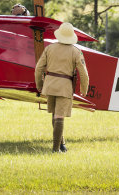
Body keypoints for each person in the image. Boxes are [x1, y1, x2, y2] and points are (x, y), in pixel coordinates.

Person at [35, 22, 89, 153]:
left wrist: (40, 85)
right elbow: (84, 73)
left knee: (55, 115)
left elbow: (38, 69)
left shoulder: (49, 48)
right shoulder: (76, 52)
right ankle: (55, 150)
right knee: (59, 116)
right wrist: (84, 89)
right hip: (64, 87)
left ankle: (61, 144)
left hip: (50, 85)